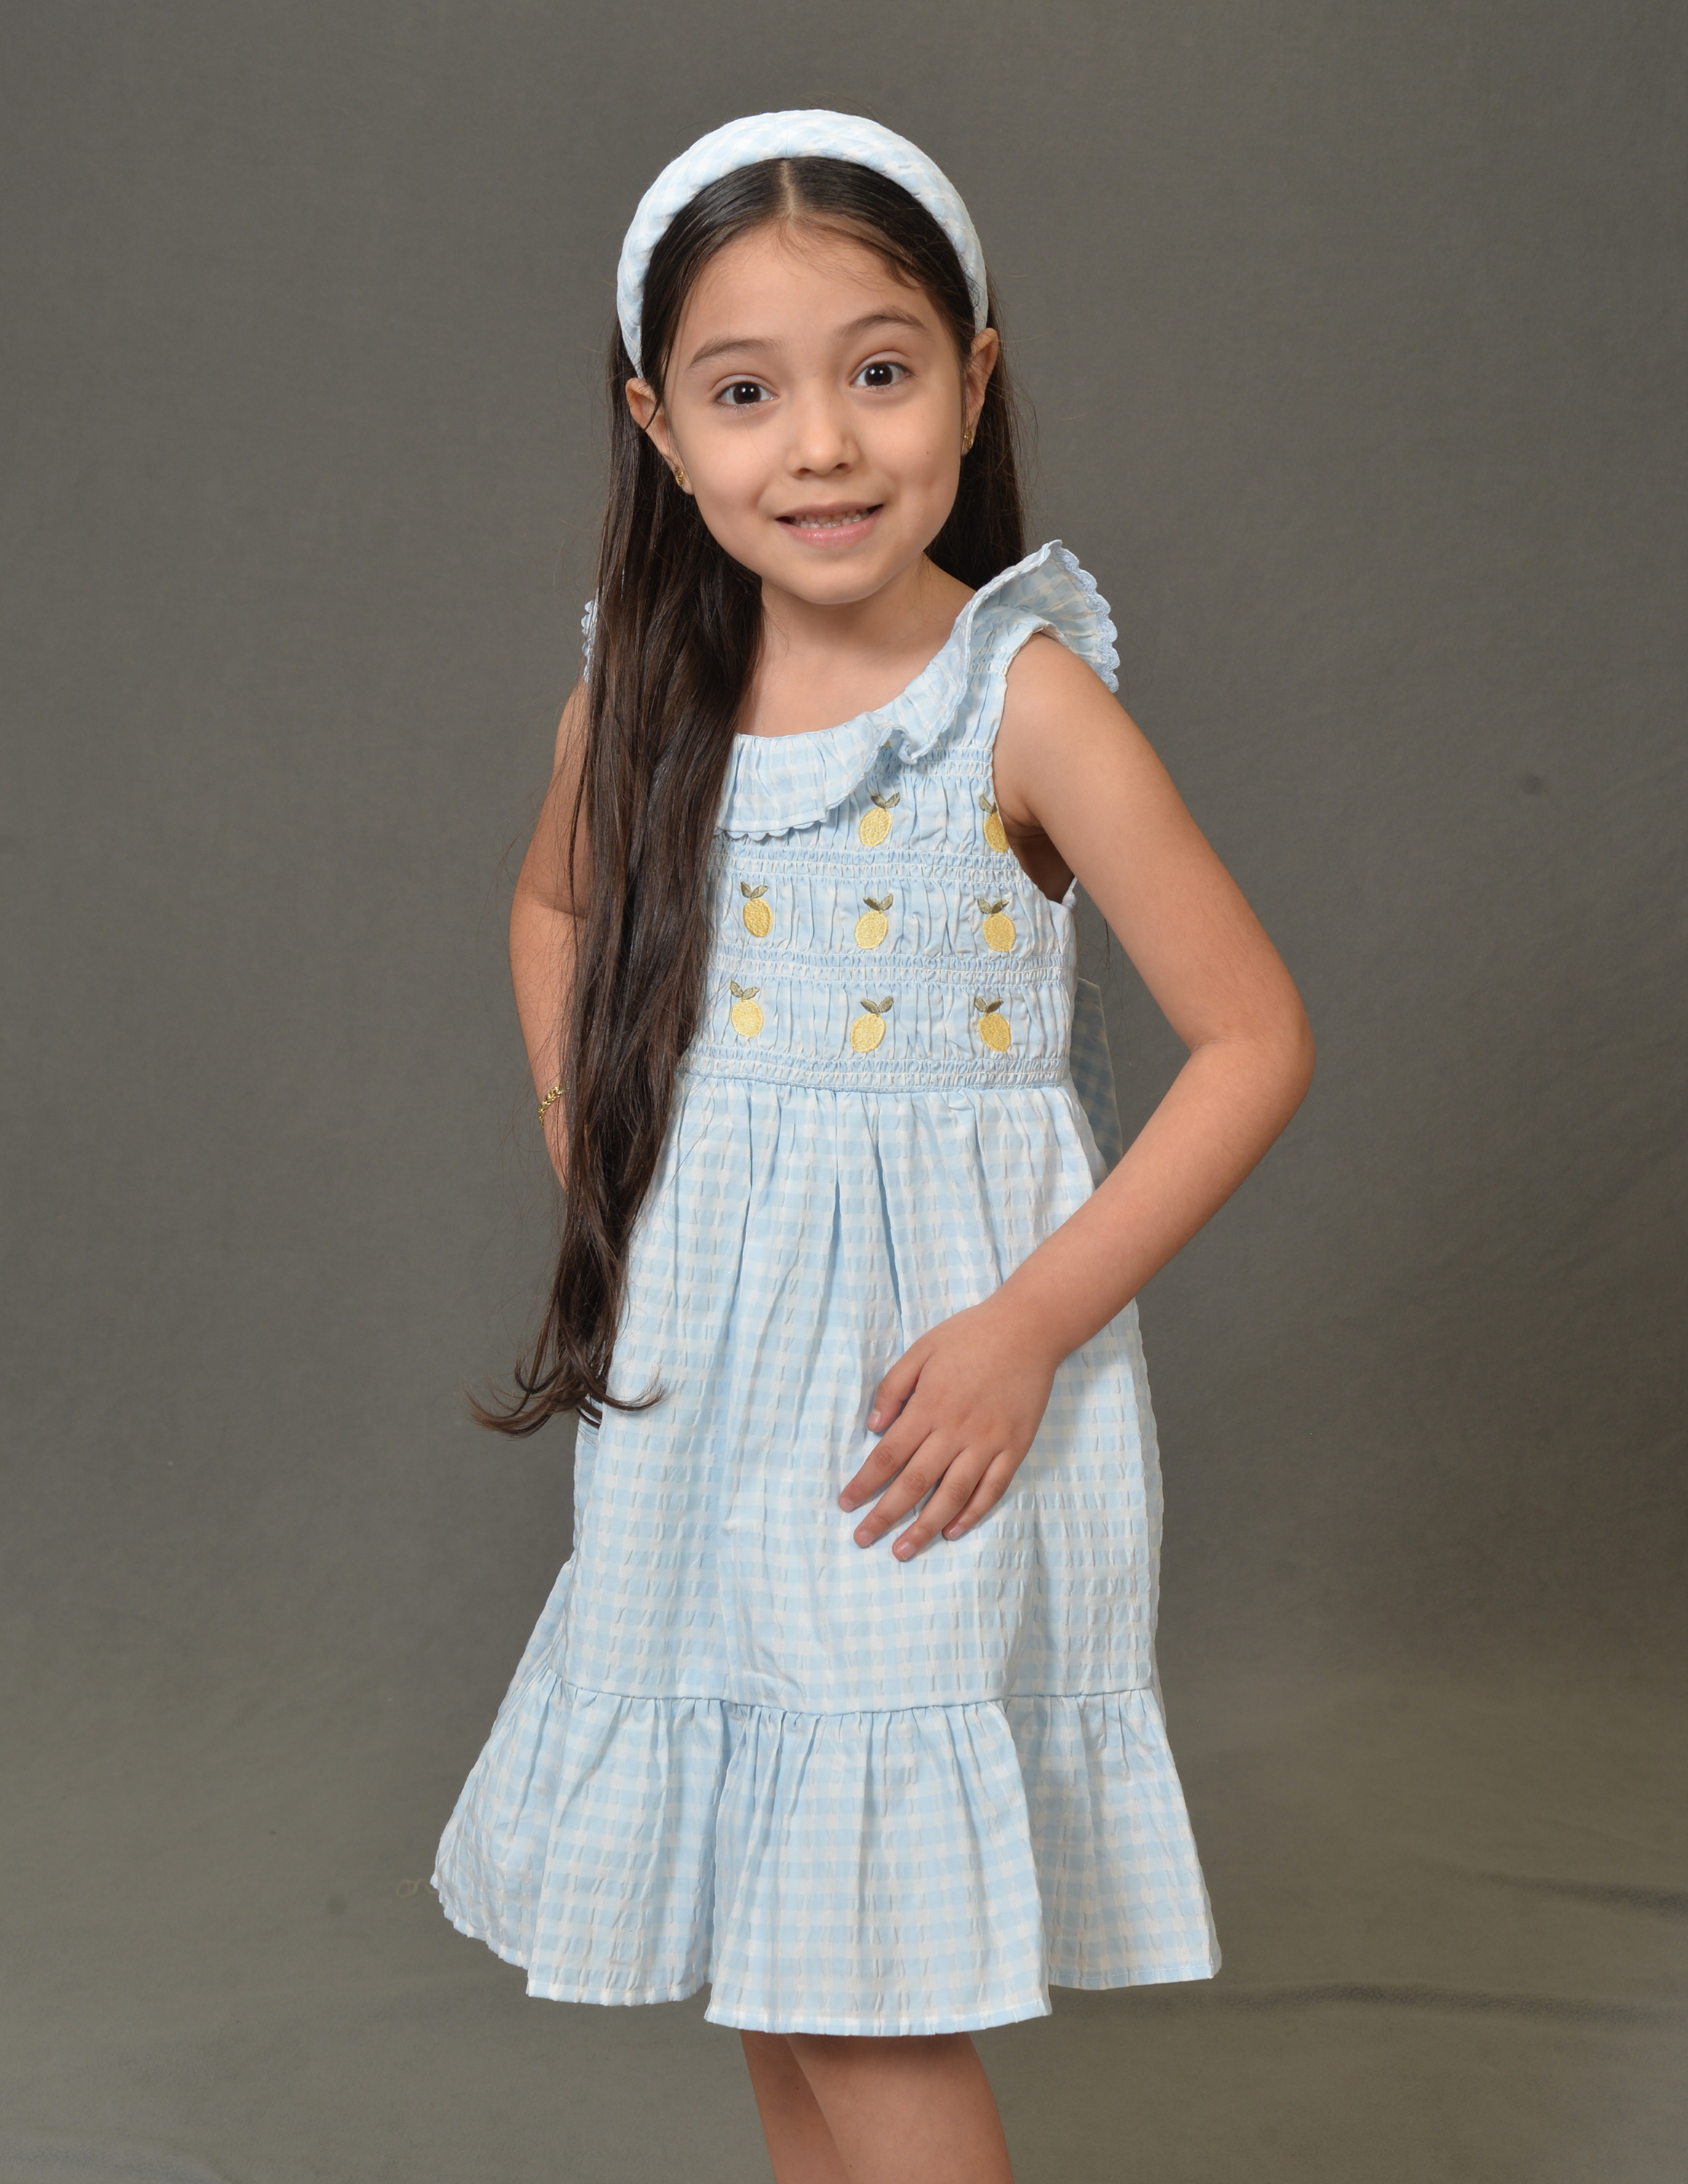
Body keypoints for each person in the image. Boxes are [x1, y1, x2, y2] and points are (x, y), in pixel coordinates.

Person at [432, 109, 1314, 2184]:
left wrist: (1029, 1328)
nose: (821, 445)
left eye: (881, 371)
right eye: (747, 393)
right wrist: (609, 1162)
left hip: (922, 1403)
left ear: (973, 383)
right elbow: (550, 911)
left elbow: (1255, 1038)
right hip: (707, 1397)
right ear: (660, 429)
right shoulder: (646, 697)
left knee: (852, 1965)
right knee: (778, 1922)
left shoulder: (1024, 705)